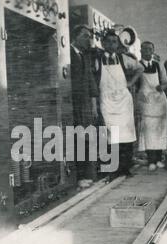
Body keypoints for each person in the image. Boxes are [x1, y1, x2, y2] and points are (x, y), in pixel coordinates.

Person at [94, 30, 143, 178]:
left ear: (118, 44)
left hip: (123, 101)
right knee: (110, 134)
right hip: (107, 101)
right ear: (102, 43)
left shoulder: (123, 58)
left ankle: (125, 168)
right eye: (108, 41)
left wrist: (130, 82)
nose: (111, 44)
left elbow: (140, 68)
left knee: (126, 135)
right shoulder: (97, 59)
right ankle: (111, 169)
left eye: (114, 42)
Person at [70, 25, 100, 188]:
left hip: (85, 105)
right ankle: (79, 177)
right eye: (85, 36)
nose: (89, 39)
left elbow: (90, 81)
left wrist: (94, 104)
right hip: (73, 104)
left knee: (85, 139)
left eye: (90, 36)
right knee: (76, 139)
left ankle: (86, 174)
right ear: (75, 37)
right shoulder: (68, 54)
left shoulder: (85, 56)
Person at [137, 41, 167, 172]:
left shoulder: (158, 65)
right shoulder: (137, 66)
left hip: (159, 99)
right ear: (141, 51)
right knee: (149, 130)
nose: (147, 51)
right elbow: (134, 84)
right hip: (146, 100)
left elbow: (166, 81)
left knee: (160, 129)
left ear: (153, 51)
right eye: (144, 49)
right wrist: (139, 97)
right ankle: (151, 160)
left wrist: (162, 87)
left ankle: (158, 159)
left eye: (150, 49)